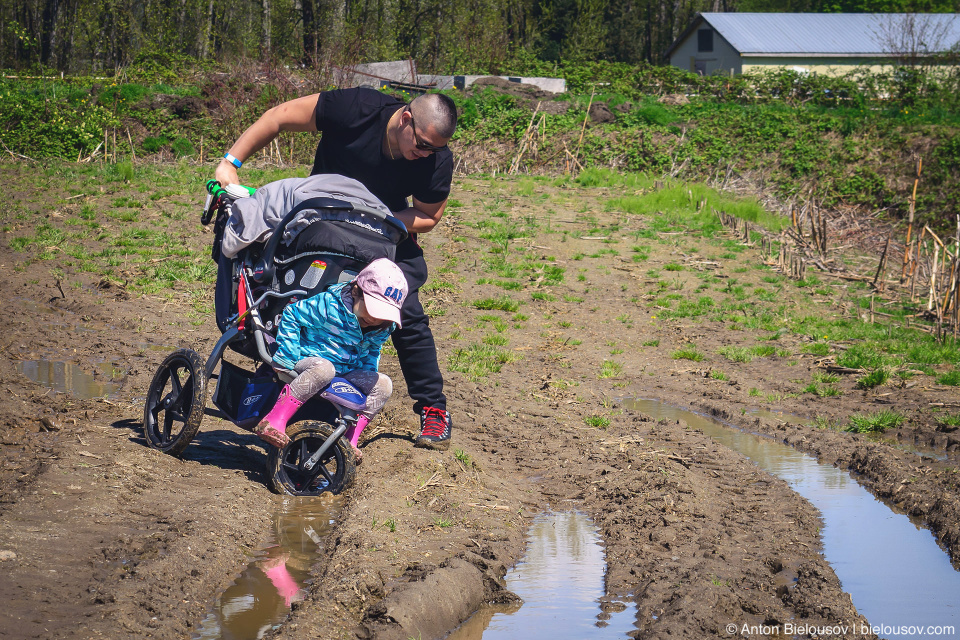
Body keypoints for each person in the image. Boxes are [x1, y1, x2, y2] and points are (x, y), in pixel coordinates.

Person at [215, 88, 456, 450]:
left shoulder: (435, 159)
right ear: (406, 119)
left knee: (402, 306)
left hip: (381, 230)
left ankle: (433, 410)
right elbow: (278, 116)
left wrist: (380, 220)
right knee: (290, 289)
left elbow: (428, 215)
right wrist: (231, 163)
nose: (425, 154)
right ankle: (278, 372)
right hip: (317, 219)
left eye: (434, 150)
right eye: (422, 144)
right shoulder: (356, 109)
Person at [255, 258, 408, 463]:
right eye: (372, 309)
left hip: (346, 369)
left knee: (384, 385)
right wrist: (287, 355)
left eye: (382, 314)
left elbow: (373, 350)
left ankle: (349, 440)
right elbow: (292, 314)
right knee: (325, 369)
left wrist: (369, 375)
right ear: (356, 291)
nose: (374, 319)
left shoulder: (383, 326)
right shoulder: (329, 305)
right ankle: (274, 419)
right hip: (309, 358)